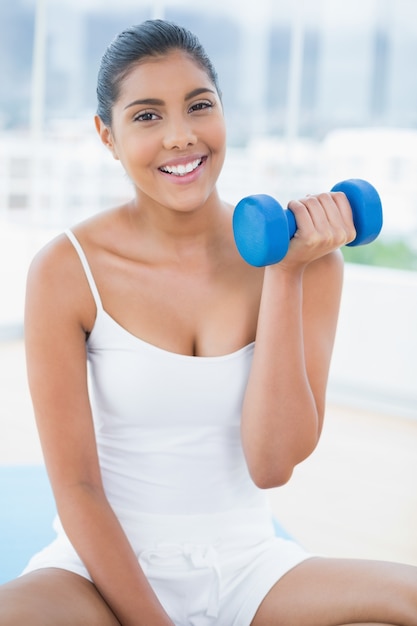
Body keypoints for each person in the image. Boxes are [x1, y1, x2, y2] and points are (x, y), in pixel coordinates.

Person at [0, 18, 416, 626]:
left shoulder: (308, 260)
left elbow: (271, 465)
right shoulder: (67, 269)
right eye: (146, 116)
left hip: (248, 566)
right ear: (106, 135)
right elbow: (78, 490)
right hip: (98, 574)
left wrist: (285, 275)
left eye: (200, 106)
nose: (181, 136)